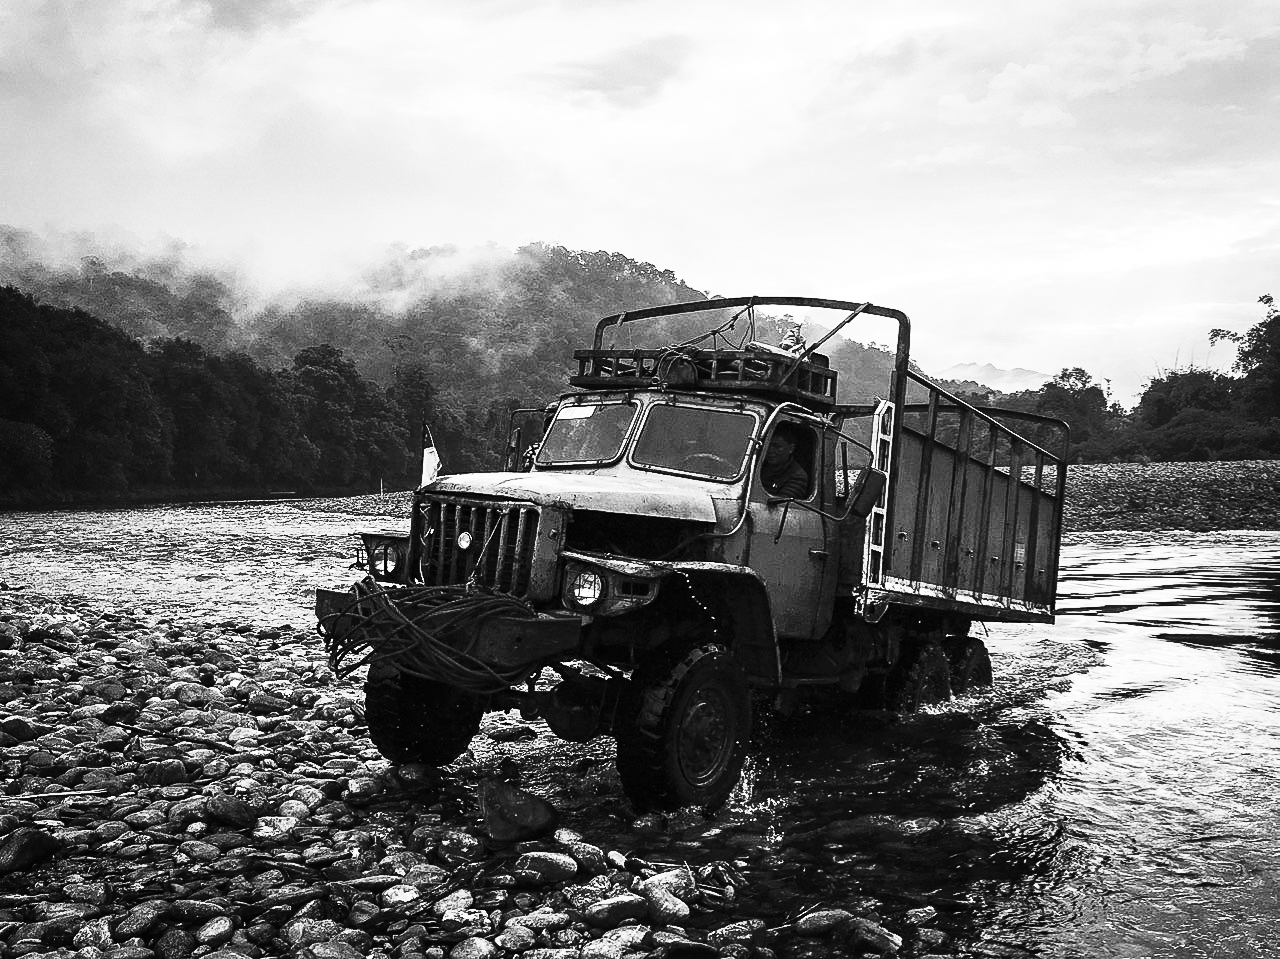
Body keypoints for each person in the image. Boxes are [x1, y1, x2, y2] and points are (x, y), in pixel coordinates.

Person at [761, 425, 810, 498]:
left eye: (777, 446)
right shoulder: (760, 465)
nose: (769, 451)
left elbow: (780, 505)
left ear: (791, 448)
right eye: (767, 445)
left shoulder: (797, 476)